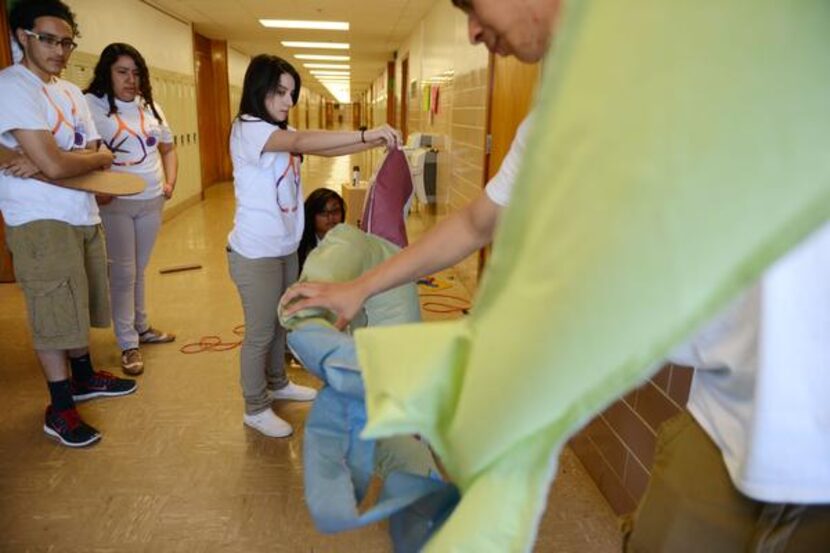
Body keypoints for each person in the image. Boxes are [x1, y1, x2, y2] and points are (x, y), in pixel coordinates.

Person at [284, 0, 830, 549]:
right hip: (728, 413)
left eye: (473, 5)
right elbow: (476, 224)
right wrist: (361, 286)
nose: (472, 28)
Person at [227, 54, 402, 438]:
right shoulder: (249, 129)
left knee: (280, 322)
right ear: (259, 91)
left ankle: (277, 382)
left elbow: (322, 149)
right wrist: (365, 134)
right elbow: (306, 140)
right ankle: (254, 406)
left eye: (292, 93)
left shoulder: (274, 128)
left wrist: (364, 143)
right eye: (280, 92)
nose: (288, 102)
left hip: (284, 248)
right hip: (255, 252)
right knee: (260, 333)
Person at [0, 0, 137, 448]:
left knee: (81, 304)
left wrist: (65, 161)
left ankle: (83, 377)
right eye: (49, 40)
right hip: (40, 219)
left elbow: (98, 153)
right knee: (54, 313)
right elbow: (60, 166)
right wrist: (69, 163)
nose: (60, 50)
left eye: (66, 42)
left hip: (81, 213)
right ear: (23, 36)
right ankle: (59, 409)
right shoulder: (12, 86)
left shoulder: (71, 93)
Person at [84, 43, 177, 376]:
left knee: (139, 268)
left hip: (151, 200)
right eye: (122, 72)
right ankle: (128, 344)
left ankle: (142, 327)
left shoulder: (150, 107)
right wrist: (100, 187)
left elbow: (168, 148)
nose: (130, 79)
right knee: (122, 273)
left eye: (136, 73)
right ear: (107, 72)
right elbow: (84, 154)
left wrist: (170, 181)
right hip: (117, 203)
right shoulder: (91, 106)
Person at [297, 187, 346, 269]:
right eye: (323, 212)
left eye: (335, 210)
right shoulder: (301, 246)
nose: (331, 217)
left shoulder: (349, 241)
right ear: (311, 215)